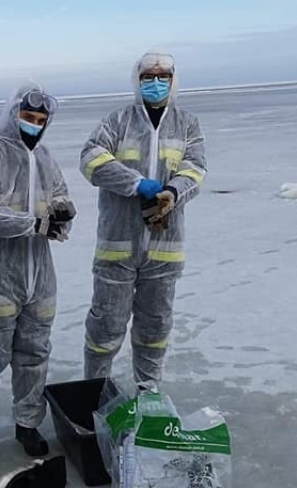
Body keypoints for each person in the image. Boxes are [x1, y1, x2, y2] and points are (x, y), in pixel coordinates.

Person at [0, 84, 76, 463]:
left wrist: (62, 215)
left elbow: (59, 196)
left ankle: (28, 423)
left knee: (34, 355)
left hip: (38, 279)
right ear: (13, 115)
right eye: (28, 117)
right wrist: (33, 224)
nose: (34, 125)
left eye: (40, 120)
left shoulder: (46, 158)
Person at [79, 52, 206, 389]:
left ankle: (148, 395)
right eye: (148, 76)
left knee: (155, 329)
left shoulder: (187, 123)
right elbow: (91, 160)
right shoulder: (118, 120)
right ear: (137, 79)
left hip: (164, 250)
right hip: (117, 248)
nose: (156, 82)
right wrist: (137, 184)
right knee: (105, 328)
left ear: (173, 80)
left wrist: (172, 193)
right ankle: (94, 394)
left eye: (163, 76)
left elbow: (195, 169)